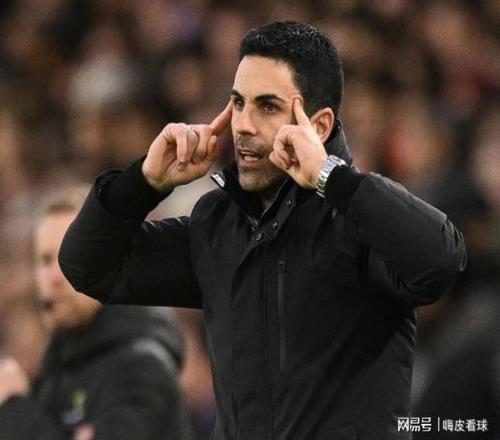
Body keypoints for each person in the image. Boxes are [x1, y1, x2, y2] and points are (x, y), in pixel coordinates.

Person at [59, 21, 467, 440]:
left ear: (319, 126)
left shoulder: (361, 218)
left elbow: (441, 261)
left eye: (267, 107)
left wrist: (332, 178)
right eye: (238, 103)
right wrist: (144, 183)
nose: (243, 125)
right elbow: (88, 268)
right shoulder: (216, 225)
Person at [0, 185, 192, 440]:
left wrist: (16, 413)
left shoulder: (139, 368)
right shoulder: (56, 371)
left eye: (70, 258)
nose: (53, 278)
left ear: (111, 263)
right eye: (45, 260)